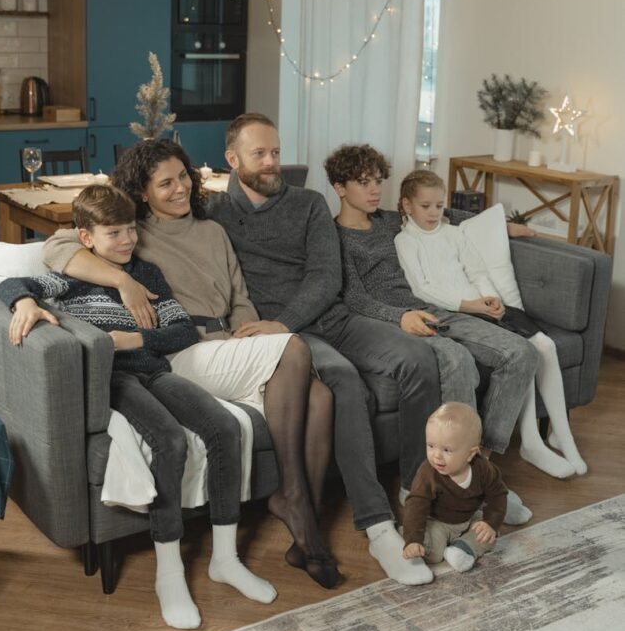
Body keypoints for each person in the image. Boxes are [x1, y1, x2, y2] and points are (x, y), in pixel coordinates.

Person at [42, 144, 339, 590]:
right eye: (165, 183)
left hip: (228, 345)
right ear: (141, 192)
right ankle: (293, 498)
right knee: (294, 348)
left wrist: (244, 335)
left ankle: (303, 526)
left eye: (183, 176)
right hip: (184, 348)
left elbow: (239, 296)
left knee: (321, 395)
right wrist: (123, 280)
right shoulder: (134, 234)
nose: (180, 188)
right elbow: (57, 246)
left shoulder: (213, 230)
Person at [0, 183, 278, 630]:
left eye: (130, 229)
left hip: (155, 370)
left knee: (225, 427)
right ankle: (169, 573)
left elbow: (181, 331)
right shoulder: (70, 277)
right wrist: (25, 302)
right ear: (86, 238)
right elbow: (13, 283)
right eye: (114, 233)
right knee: (169, 440)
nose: (127, 239)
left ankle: (225, 559)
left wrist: (136, 339)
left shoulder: (148, 274)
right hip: (115, 379)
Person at [205, 113, 446, 587]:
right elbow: (120, 226)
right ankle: (377, 527)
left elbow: (326, 277)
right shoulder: (213, 214)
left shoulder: (309, 203)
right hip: (287, 340)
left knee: (420, 358)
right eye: (259, 154)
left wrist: (285, 319)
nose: (272, 162)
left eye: (276, 152)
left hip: (332, 318)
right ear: (232, 159)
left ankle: (413, 490)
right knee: (345, 382)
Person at [324, 143, 539, 526]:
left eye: (378, 182)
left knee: (522, 353)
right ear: (340, 188)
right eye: (363, 183)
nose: (375, 190)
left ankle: (476, 470)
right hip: (389, 322)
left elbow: (446, 215)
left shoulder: (388, 220)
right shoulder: (334, 235)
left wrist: (502, 229)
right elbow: (353, 297)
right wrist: (400, 316)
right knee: (457, 360)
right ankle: (459, 483)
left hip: (431, 309)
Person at [395, 168, 586, 478]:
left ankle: (562, 436)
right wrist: (471, 305)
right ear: (407, 205)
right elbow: (422, 289)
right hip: (460, 311)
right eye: (425, 206)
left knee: (546, 345)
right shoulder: (406, 241)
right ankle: (531, 440)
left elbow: (477, 271)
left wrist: (492, 299)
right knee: (521, 351)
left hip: (484, 305)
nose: (434, 213)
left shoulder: (453, 233)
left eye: (439, 206)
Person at [402, 402, 508, 578]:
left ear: (470, 454)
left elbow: (498, 495)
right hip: (438, 522)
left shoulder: (484, 469)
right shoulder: (428, 473)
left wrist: (490, 523)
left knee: (489, 534)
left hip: (469, 517)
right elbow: (416, 504)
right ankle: (408, 533)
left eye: (447, 450)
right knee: (433, 554)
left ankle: (462, 548)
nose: (436, 455)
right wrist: (413, 539)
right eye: (431, 446)